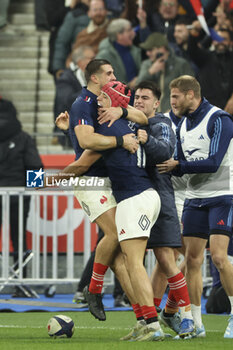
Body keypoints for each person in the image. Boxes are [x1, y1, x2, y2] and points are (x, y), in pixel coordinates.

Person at [54, 59, 146, 324]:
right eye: (108, 73)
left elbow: (143, 117)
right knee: (116, 234)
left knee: (119, 255)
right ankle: (93, 289)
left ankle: (142, 318)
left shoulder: (110, 100)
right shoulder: (82, 103)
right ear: (94, 78)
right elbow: (86, 142)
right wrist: (120, 140)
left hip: (113, 181)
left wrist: (122, 113)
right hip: (90, 181)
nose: (114, 76)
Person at [157, 75, 233, 339]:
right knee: (191, 260)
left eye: (176, 96)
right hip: (194, 198)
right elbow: (177, 162)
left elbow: (213, 162)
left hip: (223, 195)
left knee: (221, 258)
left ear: (191, 94)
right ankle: (196, 323)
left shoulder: (219, 119)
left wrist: (178, 166)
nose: (172, 102)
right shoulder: (182, 126)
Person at [0, 96, 43, 296]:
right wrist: (32, 191)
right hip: (18, 195)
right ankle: (20, 283)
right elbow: (35, 165)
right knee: (18, 239)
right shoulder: (23, 137)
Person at [137, 32, 194, 112]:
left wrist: (175, 110)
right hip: (152, 116)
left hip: (175, 116)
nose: (147, 53)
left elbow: (190, 89)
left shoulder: (180, 64)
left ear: (162, 48)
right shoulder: (147, 64)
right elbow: (138, 87)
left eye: (150, 50)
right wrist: (150, 72)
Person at [54, 45, 95, 146]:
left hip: (89, 129)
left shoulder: (91, 76)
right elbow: (67, 100)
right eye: (92, 58)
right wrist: (89, 90)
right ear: (81, 61)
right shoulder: (66, 78)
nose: (95, 61)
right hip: (71, 134)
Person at [96, 19, 141, 88]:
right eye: (129, 30)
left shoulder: (134, 49)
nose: (134, 33)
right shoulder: (104, 56)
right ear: (119, 35)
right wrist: (128, 86)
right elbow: (105, 84)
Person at [52, 0, 90, 78]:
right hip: (76, 64)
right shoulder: (74, 15)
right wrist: (58, 67)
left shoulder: (108, 15)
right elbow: (62, 42)